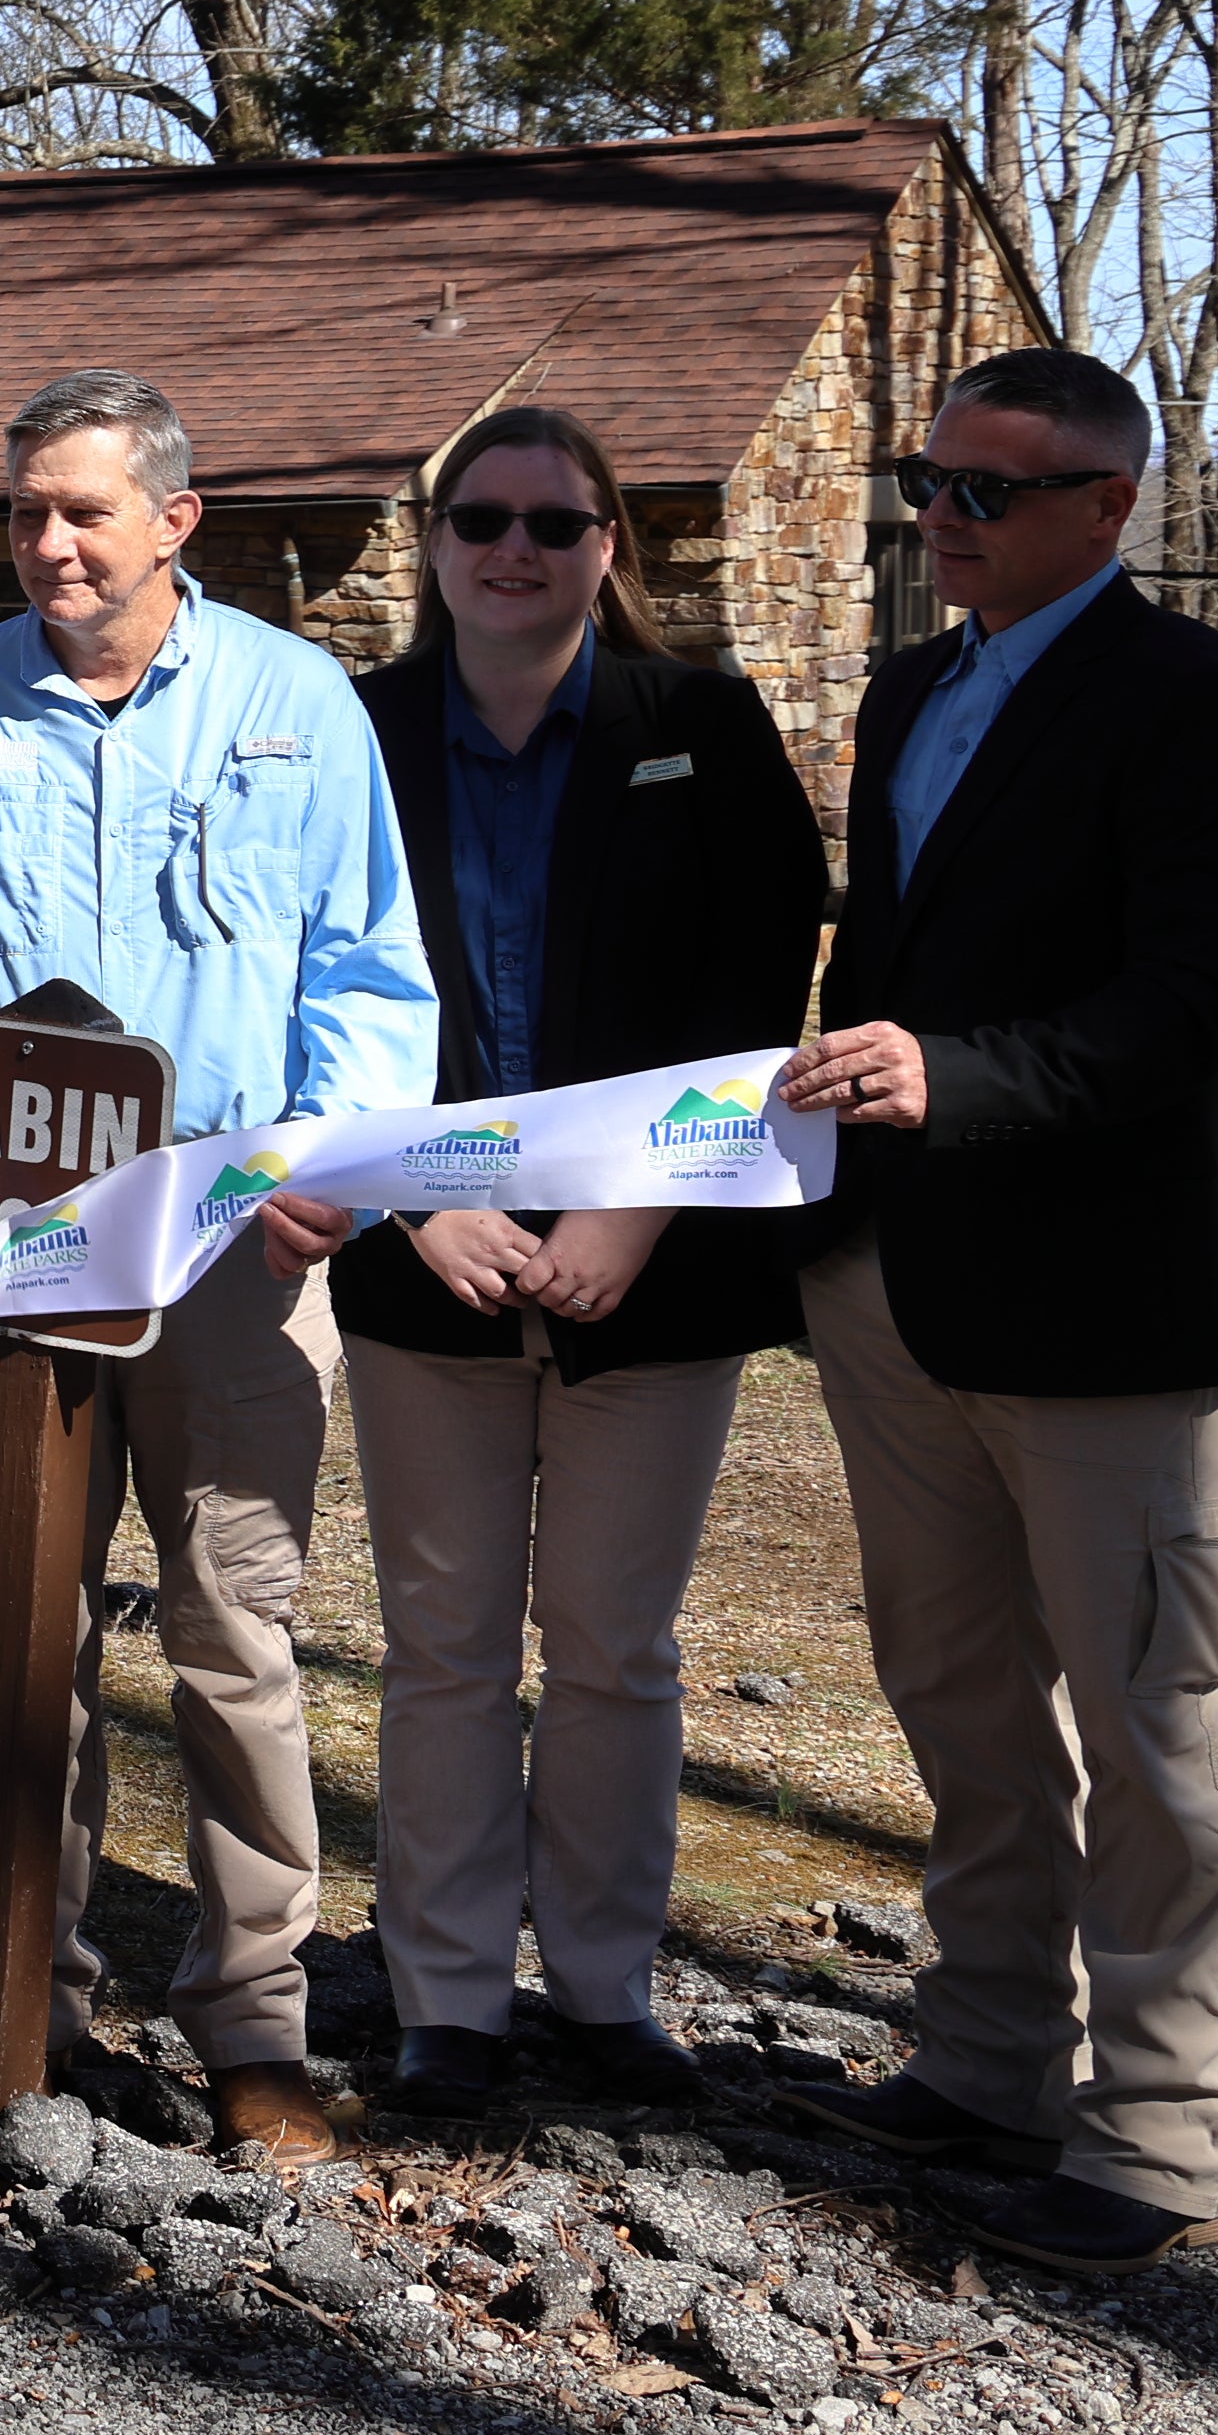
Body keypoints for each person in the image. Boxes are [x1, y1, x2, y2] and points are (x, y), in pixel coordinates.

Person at [0, 370, 430, 2166]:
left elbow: (370, 966)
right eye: (26, 512)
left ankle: (255, 2026)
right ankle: (29, 1999)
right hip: (17, 1264)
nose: (47, 544)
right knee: (29, 1644)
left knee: (235, 1634)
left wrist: (341, 1168)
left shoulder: (294, 705)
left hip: (234, 1258)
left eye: (83, 511)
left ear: (180, 517)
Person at [773, 347, 1218, 2276]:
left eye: (986, 492)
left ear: (1109, 504)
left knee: (1156, 1726)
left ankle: (1161, 2133)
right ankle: (988, 2057)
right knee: (962, 1700)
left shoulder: (1204, 708)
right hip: (893, 1283)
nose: (943, 519)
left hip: (1106, 1309)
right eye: (930, 483)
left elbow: (1205, 1002)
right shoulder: (914, 688)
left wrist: (961, 1081)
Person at [333, 407, 825, 2128]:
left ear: (611, 543)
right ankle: (447, 1995)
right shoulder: (356, 732)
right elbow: (314, 984)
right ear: (436, 538)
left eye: (555, 521)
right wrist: (413, 1198)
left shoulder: (700, 725)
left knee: (615, 1644)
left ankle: (607, 1989)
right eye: (480, 516)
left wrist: (639, 1207)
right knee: (445, 1647)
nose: (515, 548)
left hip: (654, 1268)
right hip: (430, 1265)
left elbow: (756, 986)